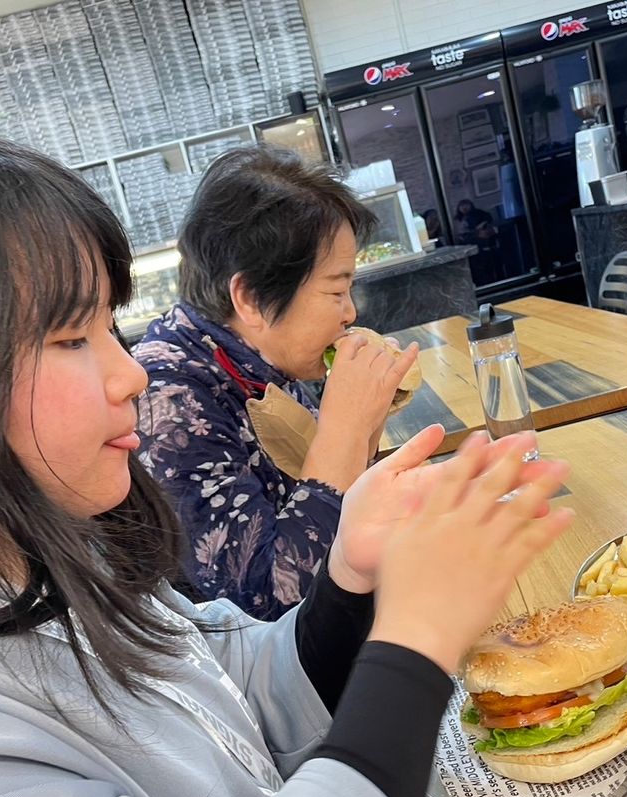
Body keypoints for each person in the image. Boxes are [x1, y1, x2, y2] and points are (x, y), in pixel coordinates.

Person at [0, 129, 574, 797]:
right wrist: (418, 642)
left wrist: (350, 577)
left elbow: (223, 686)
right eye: (71, 337)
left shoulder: (39, 564)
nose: (130, 374)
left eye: (110, 327)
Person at [134, 146, 417, 620]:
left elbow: (336, 509)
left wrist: (366, 421)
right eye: (336, 290)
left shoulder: (258, 362)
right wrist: (344, 429)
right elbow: (267, 603)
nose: (350, 313)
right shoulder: (169, 399)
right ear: (249, 297)